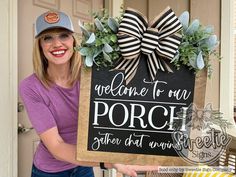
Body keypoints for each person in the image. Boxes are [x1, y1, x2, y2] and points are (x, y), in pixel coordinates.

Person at [19, 10, 158, 177]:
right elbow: (56, 146)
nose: (57, 44)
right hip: (50, 170)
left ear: (74, 41)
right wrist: (109, 161)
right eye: (47, 38)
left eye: (64, 35)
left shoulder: (93, 76)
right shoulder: (31, 87)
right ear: (40, 46)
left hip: (83, 167)